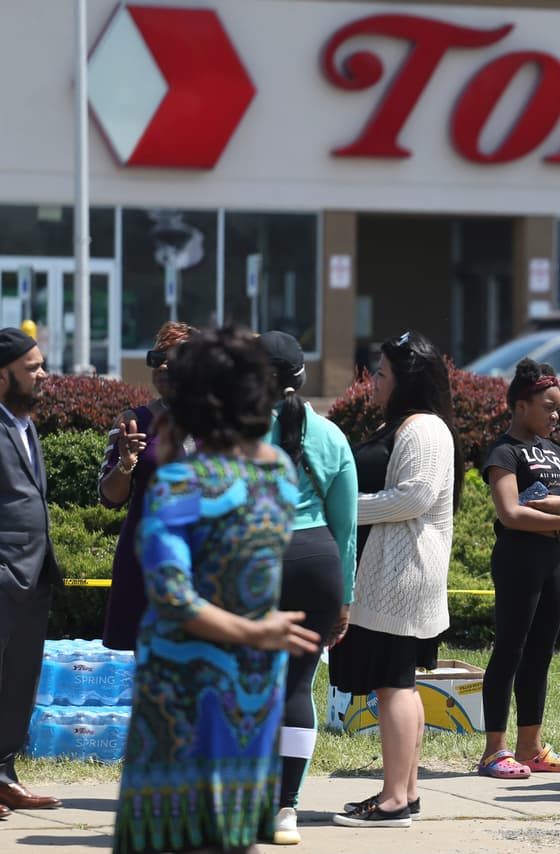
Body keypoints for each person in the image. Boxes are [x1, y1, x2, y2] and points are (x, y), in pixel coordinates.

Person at [112, 326, 321, 854]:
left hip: (184, 682)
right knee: (234, 829)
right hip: (254, 676)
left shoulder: (179, 485)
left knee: (173, 832)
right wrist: (259, 631)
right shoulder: (277, 474)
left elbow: (174, 598)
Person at [329, 330, 462, 828]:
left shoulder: (424, 429)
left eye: (381, 374)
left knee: (394, 686)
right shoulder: (407, 424)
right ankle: (404, 792)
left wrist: (341, 510)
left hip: (402, 577)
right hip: (390, 574)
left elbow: (414, 498)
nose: (373, 382)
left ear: (407, 380)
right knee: (397, 684)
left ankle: (393, 802)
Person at [259, 331, 357, 845]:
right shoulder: (332, 436)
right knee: (298, 686)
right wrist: (344, 596)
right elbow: (346, 527)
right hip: (317, 562)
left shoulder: (235, 431)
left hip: (257, 561)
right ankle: (286, 809)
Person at [478, 358, 560, 779]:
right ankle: (493, 751)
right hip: (517, 558)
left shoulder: (553, 452)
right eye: (548, 406)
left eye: (558, 407)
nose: (555, 415)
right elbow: (509, 513)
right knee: (510, 650)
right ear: (522, 405)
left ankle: (530, 748)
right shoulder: (503, 451)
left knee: (539, 655)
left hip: (550, 562)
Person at [99, 321, 197, 651]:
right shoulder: (133, 422)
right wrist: (126, 464)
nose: (164, 365)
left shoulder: (217, 423)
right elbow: (109, 498)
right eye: (157, 358)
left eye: (174, 357)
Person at [0, 328, 61, 818]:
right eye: (32, 368)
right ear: (2, 378)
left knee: (19, 682)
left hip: (33, 579)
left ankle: (3, 774)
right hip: (3, 576)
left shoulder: (24, 423)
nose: (43, 375)